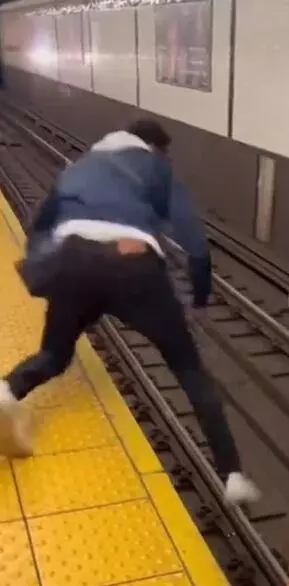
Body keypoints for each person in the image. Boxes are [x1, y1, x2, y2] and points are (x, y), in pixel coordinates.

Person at [0, 118, 260, 505]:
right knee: (189, 370)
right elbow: (193, 240)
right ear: (154, 148)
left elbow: (41, 224)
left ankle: (5, 390)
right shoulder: (156, 167)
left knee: (54, 355)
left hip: (73, 259)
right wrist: (200, 296)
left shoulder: (81, 166)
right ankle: (232, 474)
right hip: (133, 266)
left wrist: (45, 267)